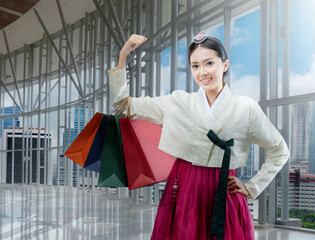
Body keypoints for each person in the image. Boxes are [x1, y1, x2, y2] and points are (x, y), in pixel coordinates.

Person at [108, 32, 290, 240]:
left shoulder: (246, 107)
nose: (202, 72)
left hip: (224, 193)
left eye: (209, 63)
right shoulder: (178, 102)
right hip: (185, 193)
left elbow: (280, 150)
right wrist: (123, 55)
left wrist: (252, 186)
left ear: (225, 65)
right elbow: (123, 106)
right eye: (195, 66)